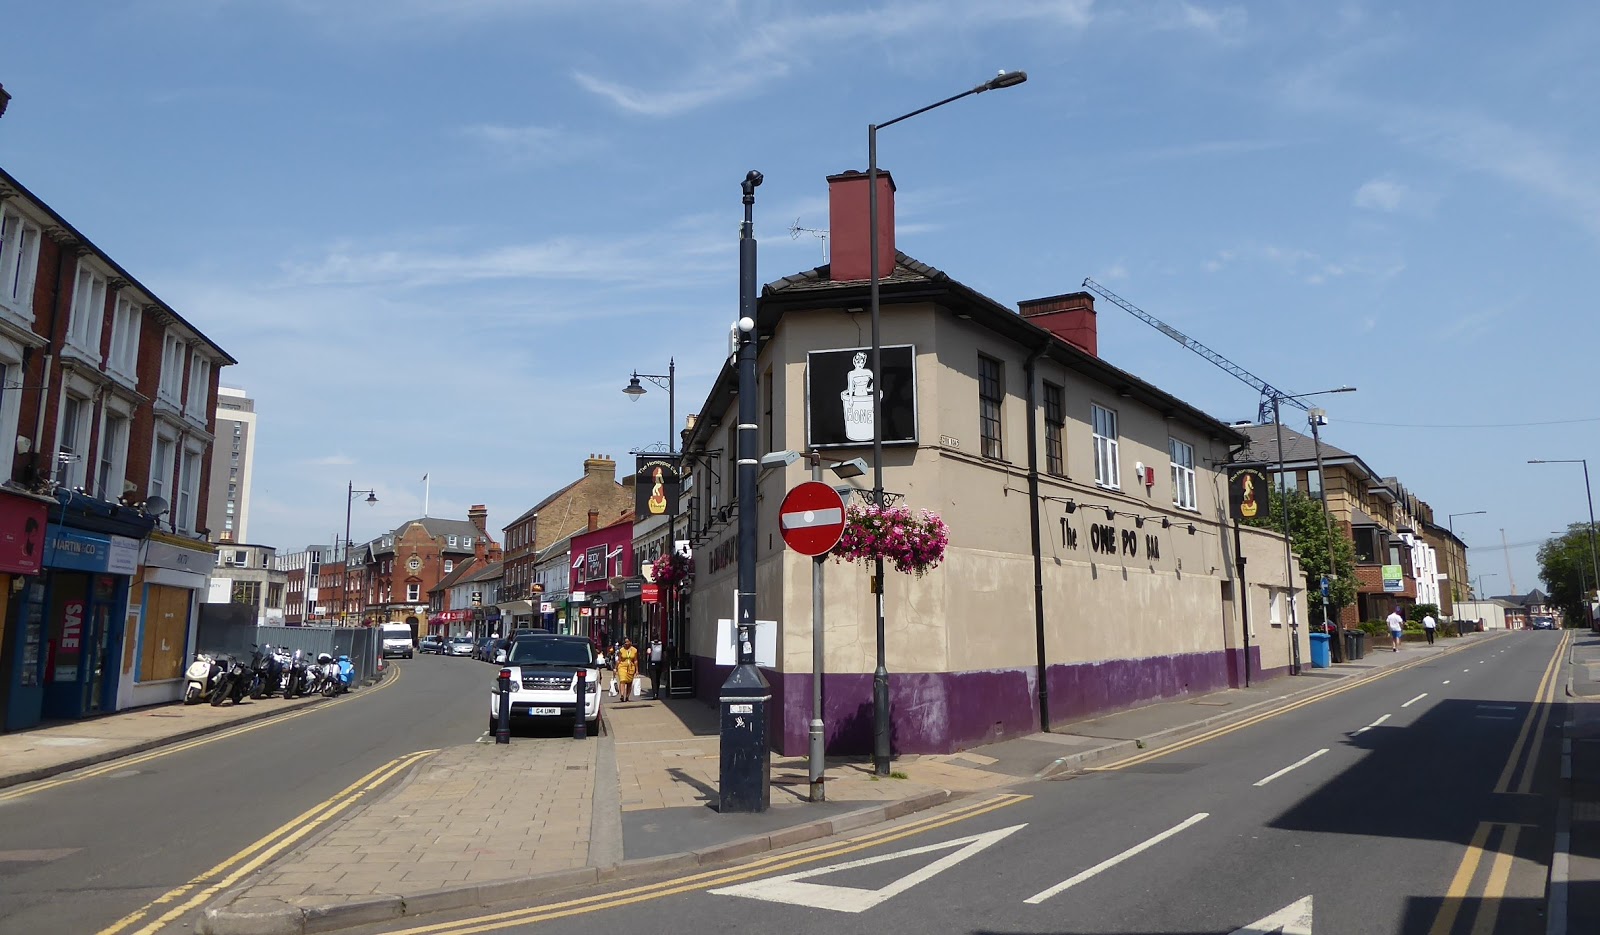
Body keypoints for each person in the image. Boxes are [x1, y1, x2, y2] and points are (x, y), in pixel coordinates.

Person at [616, 638, 639, 703]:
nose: (626, 643)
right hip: (622, 666)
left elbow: (635, 660)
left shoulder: (634, 650)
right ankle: (622, 695)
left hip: (631, 667)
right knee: (622, 680)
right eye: (625, 642)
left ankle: (627, 697)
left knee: (629, 682)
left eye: (627, 642)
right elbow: (619, 660)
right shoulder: (621, 650)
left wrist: (637, 670)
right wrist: (616, 668)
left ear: (630, 642)